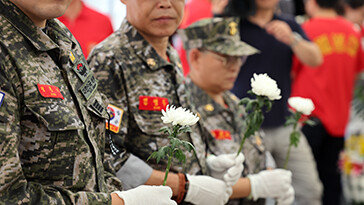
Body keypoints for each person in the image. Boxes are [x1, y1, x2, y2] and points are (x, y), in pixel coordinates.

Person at [0, 0, 177, 204]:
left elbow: (95, 149)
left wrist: (118, 194)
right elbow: (7, 196)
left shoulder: (60, 36)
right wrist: (117, 202)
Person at [88, 0, 244, 204]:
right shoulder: (110, 59)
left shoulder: (170, 54)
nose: (165, 4)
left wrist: (206, 164)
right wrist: (184, 186)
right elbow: (107, 154)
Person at [179, 17, 295, 205]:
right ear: (195, 57)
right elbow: (191, 182)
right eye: (225, 58)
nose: (235, 66)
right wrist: (254, 185)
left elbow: (257, 151)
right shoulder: (183, 109)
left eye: (239, 58)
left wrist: (273, 180)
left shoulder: (234, 103)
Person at [226, 0, 324, 204]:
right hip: (243, 124)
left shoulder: (288, 24)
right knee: (247, 192)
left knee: (309, 189)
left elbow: (316, 59)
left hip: (283, 123)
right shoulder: (234, 24)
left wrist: (292, 40)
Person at [292, 0, 364, 204]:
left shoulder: (304, 30)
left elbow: (291, 71)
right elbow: (359, 70)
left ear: (312, 3)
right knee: (331, 178)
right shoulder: (352, 31)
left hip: (307, 115)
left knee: (304, 183)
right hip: (339, 116)